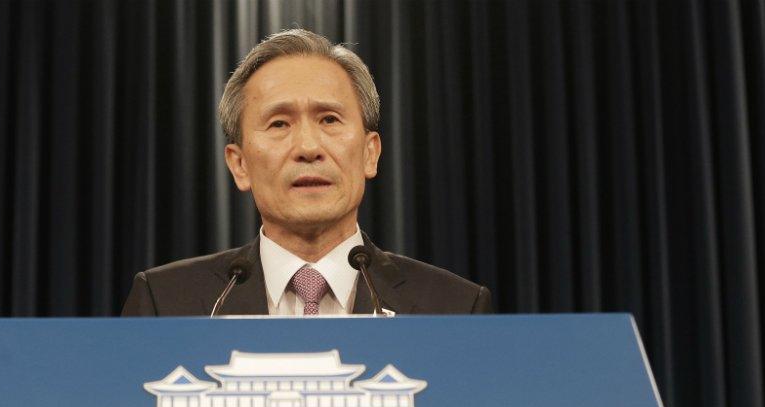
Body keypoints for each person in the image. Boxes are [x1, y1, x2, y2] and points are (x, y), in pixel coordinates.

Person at [121, 29, 491, 317]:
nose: (308, 147)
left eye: (329, 119)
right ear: (239, 164)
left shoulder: (455, 306)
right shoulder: (165, 302)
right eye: (279, 124)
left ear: (370, 153)